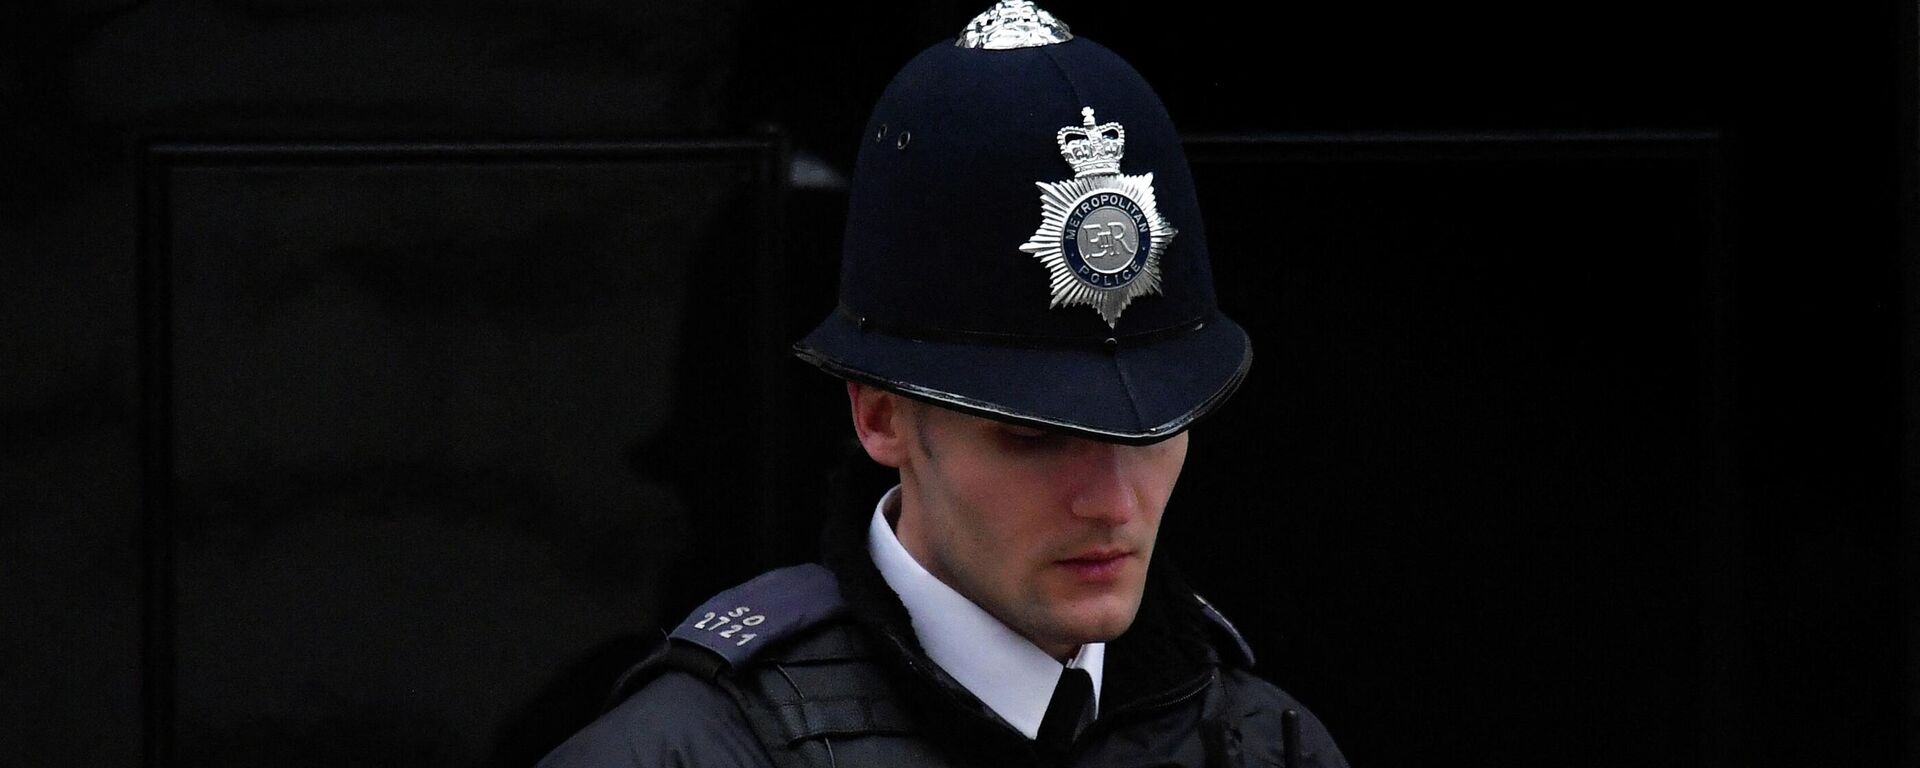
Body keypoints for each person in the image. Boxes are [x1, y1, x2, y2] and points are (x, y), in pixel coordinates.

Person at [539, 2, 1349, 766]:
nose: (1112, 500)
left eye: (1153, 426)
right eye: (1033, 435)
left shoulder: (1265, 744)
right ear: (881, 415)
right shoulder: (687, 750)